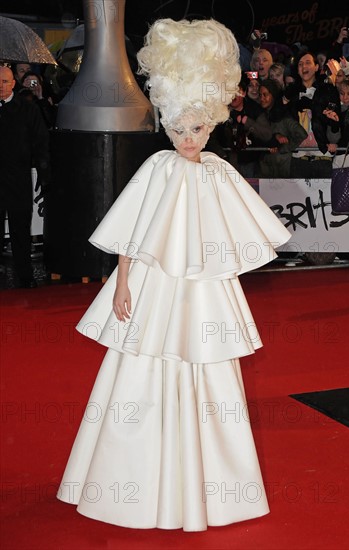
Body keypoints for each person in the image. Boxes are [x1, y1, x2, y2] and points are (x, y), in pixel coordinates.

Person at [56, 18, 291, 532]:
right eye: (179, 129)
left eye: (197, 128)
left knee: (210, 374)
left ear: (213, 124)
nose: (188, 138)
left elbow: (232, 238)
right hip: (153, 289)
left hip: (204, 294)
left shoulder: (219, 172)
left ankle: (216, 490)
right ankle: (130, 484)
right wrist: (120, 284)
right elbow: (132, 231)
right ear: (166, 125)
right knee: (142, 368)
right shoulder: (158, 168)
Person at [0, 66, 51, 288]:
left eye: (4, 81)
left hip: (18, 177)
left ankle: (25, 276)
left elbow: (41, 143)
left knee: (21, 228)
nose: (0, 86)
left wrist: (44, 173)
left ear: (13, 84)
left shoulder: (27, 109)